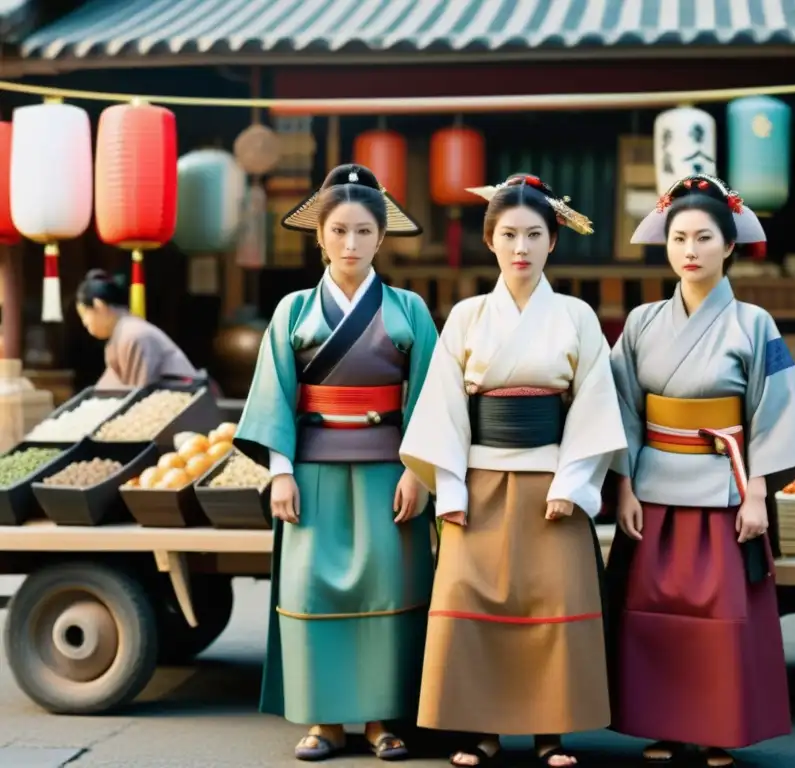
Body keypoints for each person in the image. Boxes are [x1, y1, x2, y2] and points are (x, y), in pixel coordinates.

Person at [399, 174, 627, 767]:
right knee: (474, 605)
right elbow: (444, 407)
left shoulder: (576, 316)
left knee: (553, 607)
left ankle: (552, 730)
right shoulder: (468, 316)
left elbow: (594, 403)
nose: (521, 247)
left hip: (552, 481)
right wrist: (448, 487)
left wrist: (575, 484)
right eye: (508, 235)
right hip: (478, 482)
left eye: (533, 234)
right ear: (490, 241)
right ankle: (481, 729)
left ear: (554, 241)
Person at [604, 174, 795, 767]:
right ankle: (665, 724)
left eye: (704, 237)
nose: (691, 250)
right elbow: (622, 405)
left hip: (724, 488)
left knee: (719, 618)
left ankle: (717, 726)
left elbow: (773, 413)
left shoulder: (754, 324)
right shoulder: (644, 322)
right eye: (679, 238)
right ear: (667, 246)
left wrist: (756, 494)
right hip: (653, 485)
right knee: (656, 613)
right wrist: (623, 482)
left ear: (729, 245)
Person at [232, 164, 438, 762]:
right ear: (318, 236)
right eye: (340, 231)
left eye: (364, 232)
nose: (351, 244)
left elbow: (428, 396)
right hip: (312, 472)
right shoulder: (293, 310)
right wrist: (280, 471)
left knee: (385, 592)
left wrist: (418, 472)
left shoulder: (409, 309)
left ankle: (380, 719)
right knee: (312, 591)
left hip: (386, 474)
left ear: (381, 238)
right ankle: (324, 721)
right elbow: (273, 393)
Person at [76, 269, 200, 388]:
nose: (84, 322)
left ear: (99, 306)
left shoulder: (133, 334)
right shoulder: (122, 334)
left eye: (84, 314)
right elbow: (107, 389)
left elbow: (137, 393)